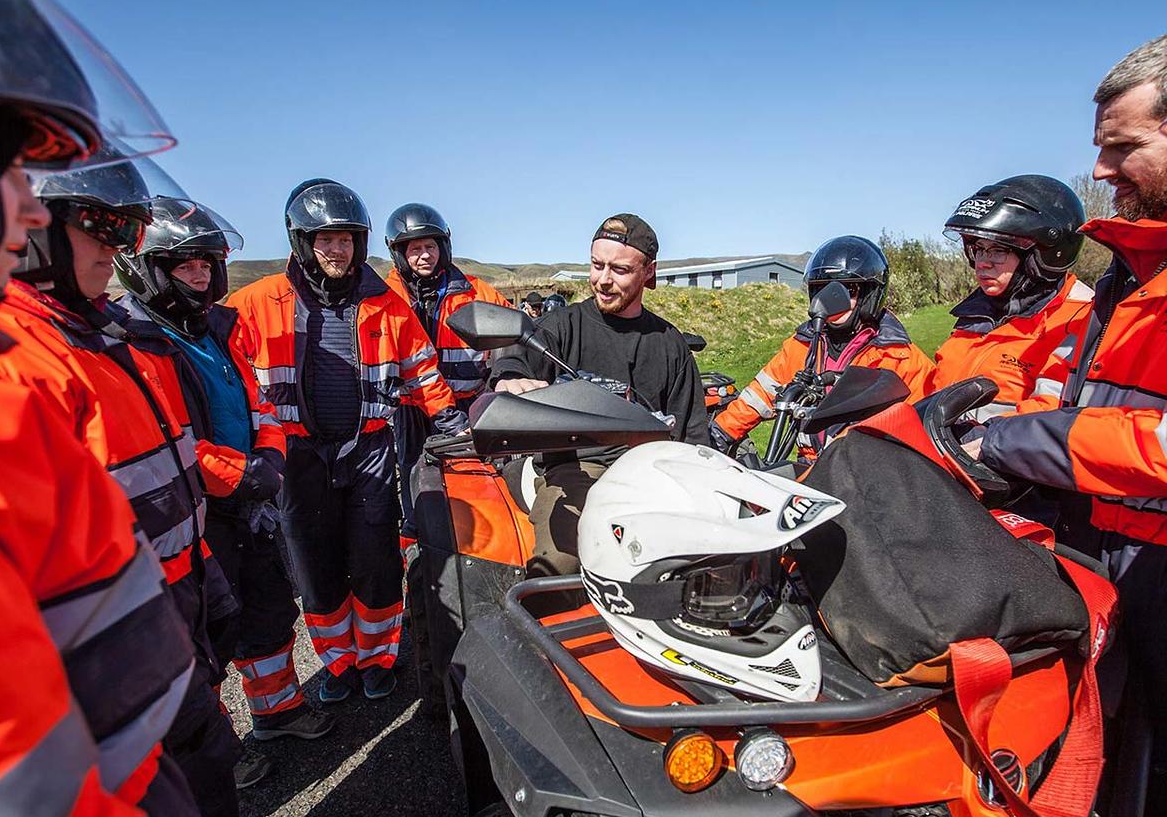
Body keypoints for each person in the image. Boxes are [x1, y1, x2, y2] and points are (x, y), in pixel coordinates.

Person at [0, 0, 207, 817]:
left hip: (152, 733)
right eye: (7, 162)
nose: (26, 203)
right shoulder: (14, 374)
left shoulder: (17, 364)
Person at [0, 159, 242, 817]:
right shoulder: (11, 354)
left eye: (126, 227)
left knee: (201, 793)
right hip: (106, 639)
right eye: (101, 223)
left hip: (168, 597)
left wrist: (203, 571)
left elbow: (170, 467)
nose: (115, 244)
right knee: (170, 816)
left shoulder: (112, 335)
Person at [970, 34, 1167, 817]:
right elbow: (1088, 399)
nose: (1107, 172)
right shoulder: (1136, 270)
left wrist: (1016, 441)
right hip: (1114, 560)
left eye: (1124, 148)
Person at [113, 196, 334, 783]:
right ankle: (217, 750)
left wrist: (268, 457)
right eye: (186, 266)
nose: (202, 277)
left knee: (266, 604)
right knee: (203, 631)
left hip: (248, 497)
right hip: (193, 511)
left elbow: (257, 399)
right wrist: (243, 476)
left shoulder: (217, 326)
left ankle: (277, 708)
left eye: (208, 264)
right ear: (148, 268)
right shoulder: (134, 339)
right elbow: (168, 438)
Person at [228, 180, 466, 703]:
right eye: (326, 239)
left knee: (377, 560)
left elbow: (422, 368)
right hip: (298, 457)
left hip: (370, 451)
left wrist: (450, 420)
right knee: (317, 566)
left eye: (348, 240)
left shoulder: (384, 299)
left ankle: (378, 657)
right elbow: (228, 377)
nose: (339, 250)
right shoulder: (254, 302)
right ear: (301, 242)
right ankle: (338, 662)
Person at [489, 212, 709, 577]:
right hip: (576, 471)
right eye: (596, 265)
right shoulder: (562, 326)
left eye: (619, 270)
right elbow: (516, 361)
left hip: (651, 475)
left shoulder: (670, 345)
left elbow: (692, 433)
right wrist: (511, 379)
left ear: (648, 273)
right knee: (556, 567)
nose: (603, 280)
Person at [712, 236, 934, 460]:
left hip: (867, 473)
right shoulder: (803, 345)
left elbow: (927, 429)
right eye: (822, 290)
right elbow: (757, 398)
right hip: (808, 467)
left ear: (870, 294)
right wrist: (718, 435)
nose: (832, 301)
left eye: (848, 290)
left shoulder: (902, 359)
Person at [382, 202, 510, 536]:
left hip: (469, 404)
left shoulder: (476, 291)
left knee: (476, 479)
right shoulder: (385, 297)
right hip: (412, 411)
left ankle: (478, 543)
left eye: (430, 246)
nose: (424, 255)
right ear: (399, 254)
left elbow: (516, 329)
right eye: (414, 249)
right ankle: (418, 547)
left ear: (443, 247)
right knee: (414, 481)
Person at [932, 175, 1093, 420]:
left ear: (1040, 257)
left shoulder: (1078, 320)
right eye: (977, 249)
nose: (982, 263)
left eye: (998, 250)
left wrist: (979, 440)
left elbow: (1049, 414)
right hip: (936, 452)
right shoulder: (977, 315)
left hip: (995, 454)